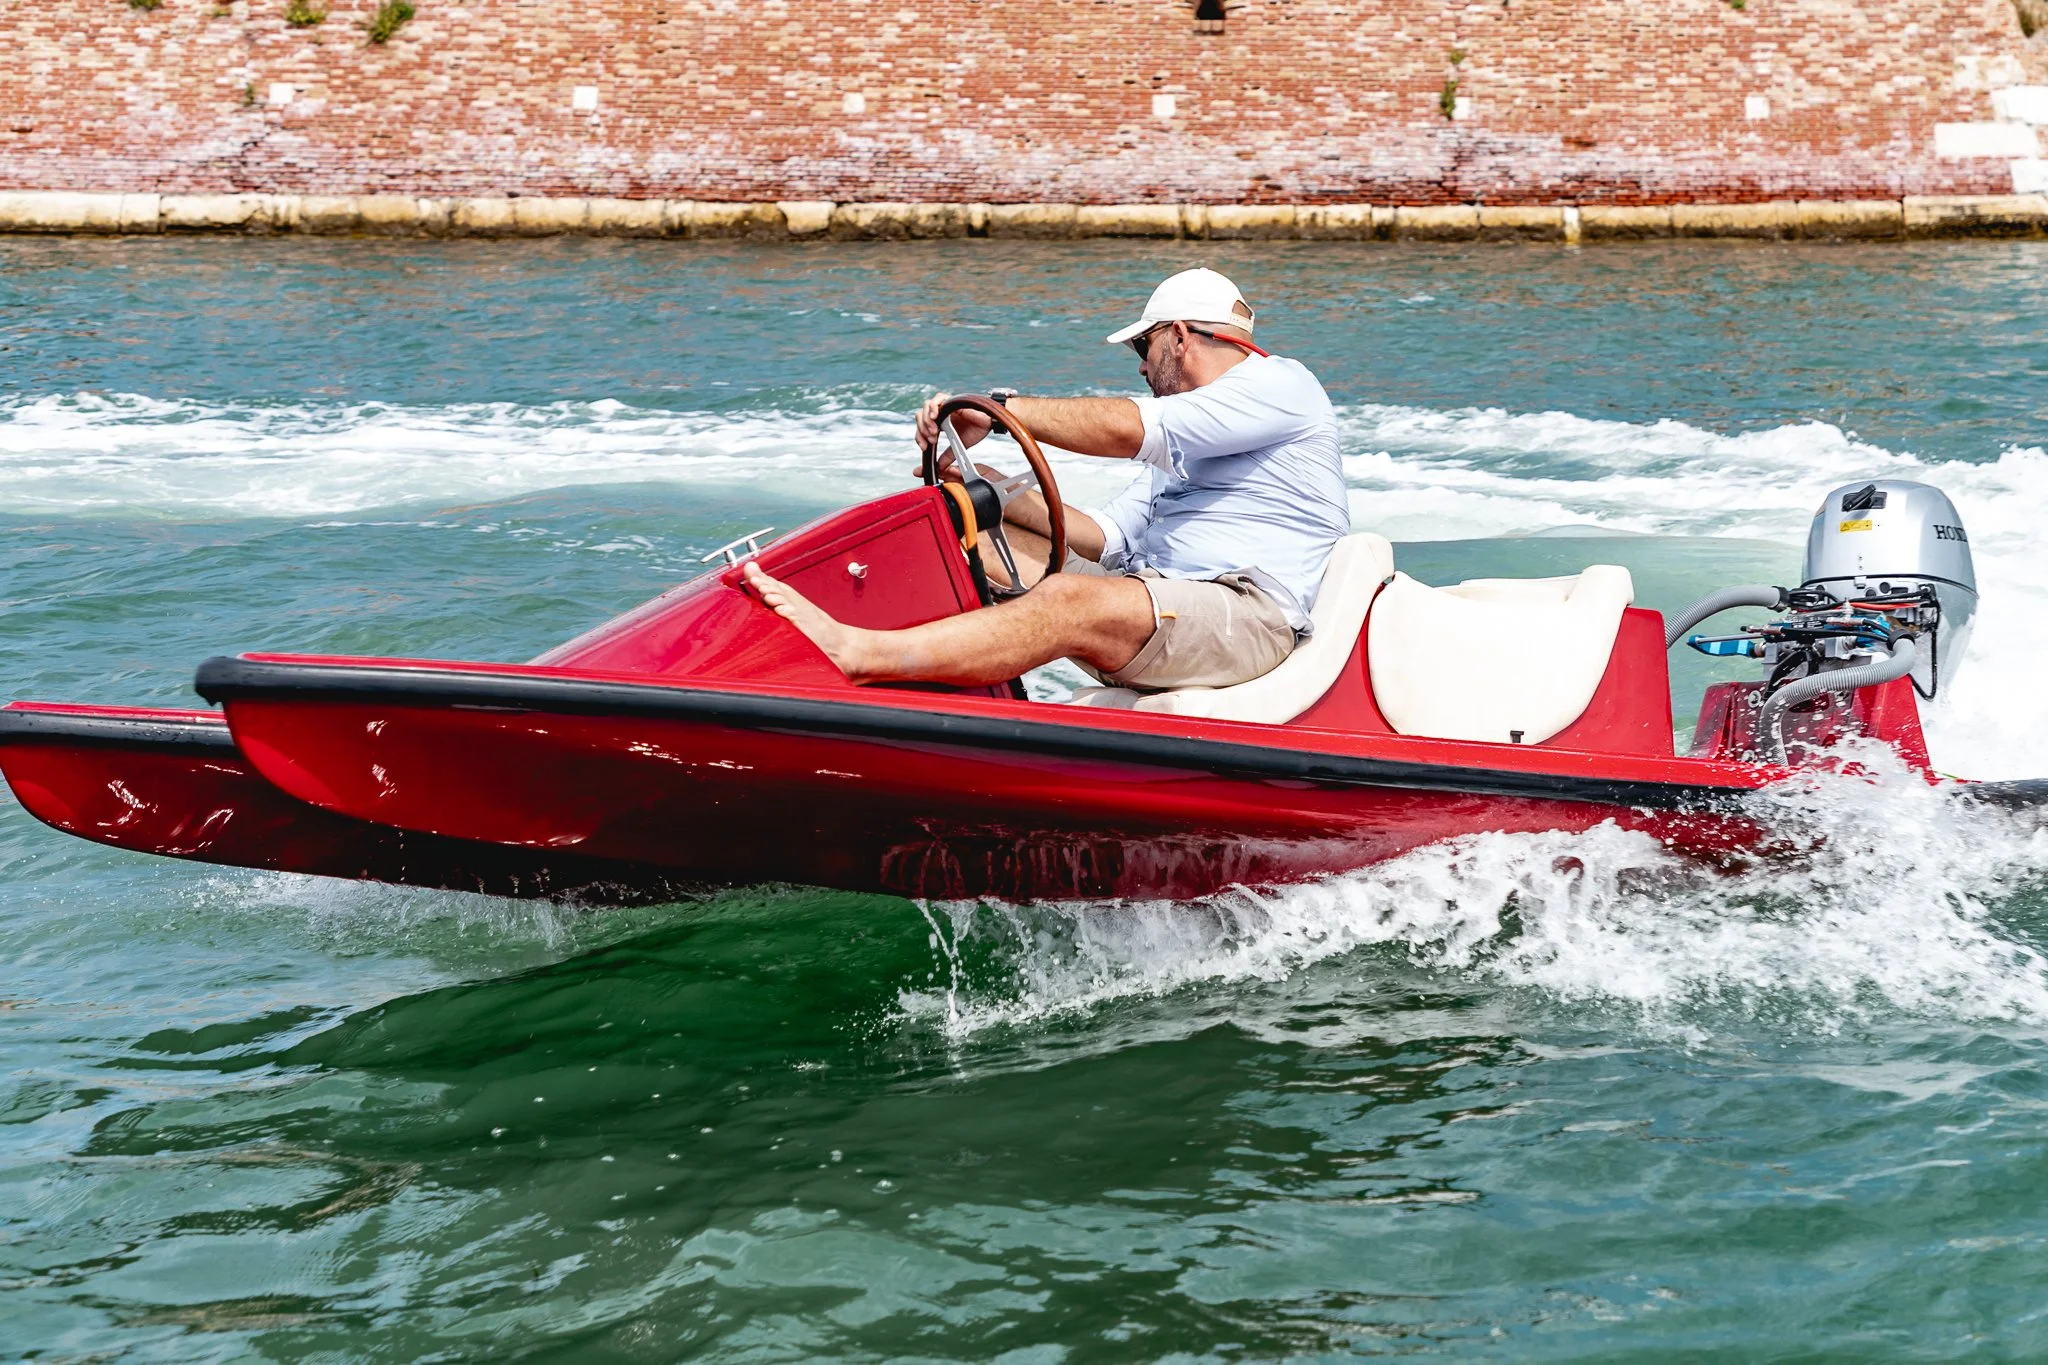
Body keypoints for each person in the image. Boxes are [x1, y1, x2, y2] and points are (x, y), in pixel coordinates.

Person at [743, 267, 1350, 691]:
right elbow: (1106, 538)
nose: (1141, 365)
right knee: (965, 528)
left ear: (1181, 336)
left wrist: (1002, 408)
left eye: (1144, 346)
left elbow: (1126, 429)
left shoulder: (1280, 385)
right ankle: (783, 645)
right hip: (1158, 596)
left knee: (1069, 600)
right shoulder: (1193, 435)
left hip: (1246, 617)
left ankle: (861, 656)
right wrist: (988, 483)